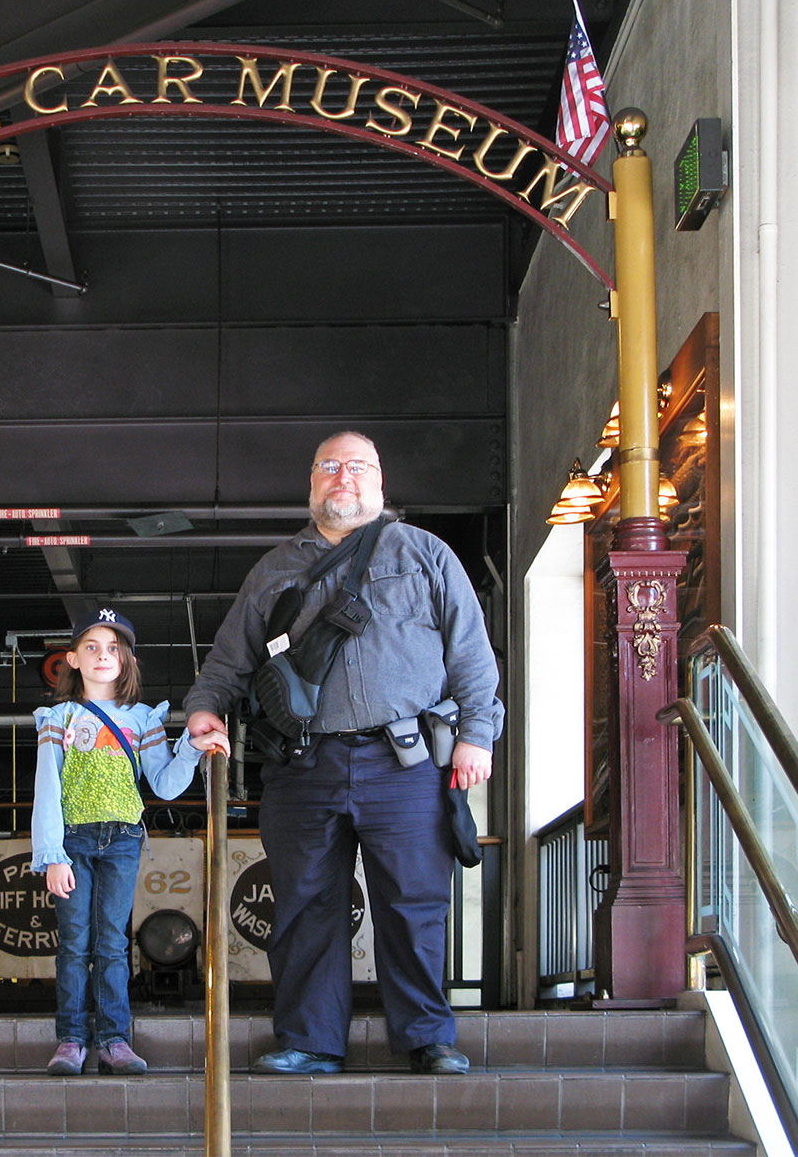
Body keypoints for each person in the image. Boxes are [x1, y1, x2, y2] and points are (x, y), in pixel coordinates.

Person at [185, 431, 502, 1076]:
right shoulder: (273, 569)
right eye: (329, 466)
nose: (343, 476)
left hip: (406, 763)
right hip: (302, 766)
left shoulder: (424, 554)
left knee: (414, 904)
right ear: (312, 482)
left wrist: (478, 733)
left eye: (358, 466)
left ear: (380, 480)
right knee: (305, 905)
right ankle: (310, 1041)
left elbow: (471, 651)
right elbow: (228, 658)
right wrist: (203, 709)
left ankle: (427, 1038)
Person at [32, 606, 229, 1076]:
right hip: (73, 841)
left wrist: (190, 748)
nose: (103, 656)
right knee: (75, 943)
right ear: (72, 659)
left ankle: (114, 1040)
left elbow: (164, 785)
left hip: (122, 839)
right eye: (92, 647)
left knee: (113, 943)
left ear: (128, 661)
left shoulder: (143, 718)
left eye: (113, 649)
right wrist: (52, 855)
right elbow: (47, 788)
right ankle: (71, 1039)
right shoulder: (57, 717)